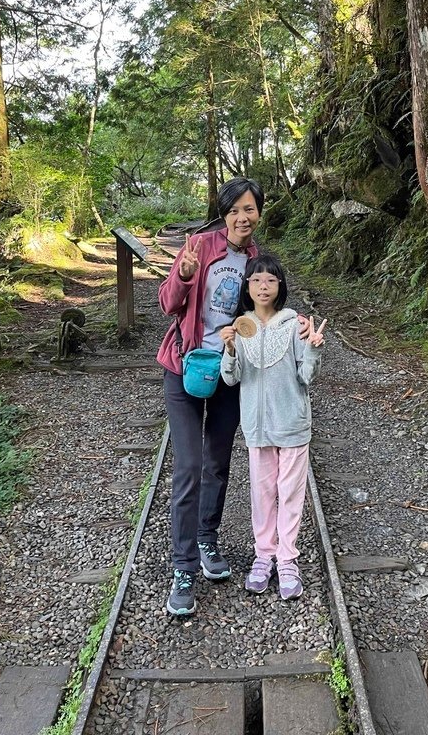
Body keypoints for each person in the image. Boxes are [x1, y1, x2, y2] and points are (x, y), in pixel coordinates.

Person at [157, 177, 264, 616]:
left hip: (227, 371)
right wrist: (184, 273)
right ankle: (183, 568)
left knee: (218, 463)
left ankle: (206, 540)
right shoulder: (199, 247)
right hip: (185, 367)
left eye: (250, 209)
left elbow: (262, 312)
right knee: (189, 467)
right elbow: (167, 303)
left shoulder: (257, 258)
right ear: (224, 214)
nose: (242, 217)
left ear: (259, 213)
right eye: (234, 210)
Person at [220, 252, 326, 601]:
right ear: (247, 287)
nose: (263, 286)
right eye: (256, 280)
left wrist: (312, 348)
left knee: (291, 496)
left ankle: (288, 560)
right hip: (257, 429)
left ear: (280, 285)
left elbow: (306, 377)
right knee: (262, 495)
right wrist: (232, 349)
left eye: (270, 280)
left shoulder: (295, 324)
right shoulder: (240, 326)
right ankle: (264, 556)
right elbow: (230, 378)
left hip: (292, 426)